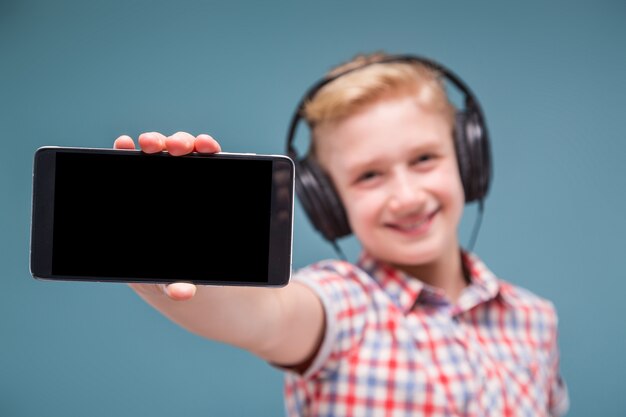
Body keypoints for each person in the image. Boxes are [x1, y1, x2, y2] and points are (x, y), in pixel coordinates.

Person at [113, 52, 569, 416]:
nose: (407, 196)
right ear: (327, 201)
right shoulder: (344, 305)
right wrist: (170, 268)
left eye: (425, 159)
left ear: (468, 161)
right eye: (370, 175)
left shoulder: (534, 319)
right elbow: (268, 315)